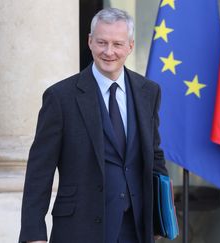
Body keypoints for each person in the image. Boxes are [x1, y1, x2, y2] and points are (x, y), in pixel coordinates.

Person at [18, 7, 168, 243]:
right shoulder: (60, 97)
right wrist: (33, 234)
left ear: (130, 46)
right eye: (102, 43)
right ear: (90, 42)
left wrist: (161, 219)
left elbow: (155, 158)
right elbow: (40, 170)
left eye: (117, 44)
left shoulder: (148, 92)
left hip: (136, 228)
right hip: (80, 228)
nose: (109, 52)